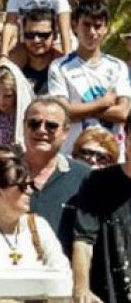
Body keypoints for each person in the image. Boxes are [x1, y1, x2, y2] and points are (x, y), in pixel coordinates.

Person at [49, 0, 131, 160]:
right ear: (75, 25)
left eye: (98, 26)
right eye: (86, 25)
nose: (92, 32)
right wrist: (102, 103)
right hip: (72, 156)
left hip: (111, 158)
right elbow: (63, 114)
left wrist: (78, 109)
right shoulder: (59, 67)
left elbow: (123, 113)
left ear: (106, 28)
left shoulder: (118, 66)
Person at [72, 114, 131, 303]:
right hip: (107, 294)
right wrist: (81, 288)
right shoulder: (97, 182)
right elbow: (83, 240)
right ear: (126, 136)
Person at [23, 96, 91, 257]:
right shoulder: (1, 172)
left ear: (66, 132)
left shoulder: (84, 177)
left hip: (65, 277)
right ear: (23, 127)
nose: (41, 130)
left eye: (51, 126)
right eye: (34, 123)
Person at [10, 7, 62, 95]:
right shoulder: (13, 68)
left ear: (55, 35)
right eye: (30, 35)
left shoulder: (64, 69)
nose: (36, 40)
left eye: (43, 35)